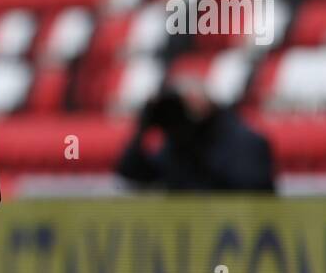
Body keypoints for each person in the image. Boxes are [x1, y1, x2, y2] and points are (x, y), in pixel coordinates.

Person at [116, 76, 275, 192]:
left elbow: (248, 192)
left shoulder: (245, 142)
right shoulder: (176, 146)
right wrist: (143, 127)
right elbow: (131, 172)